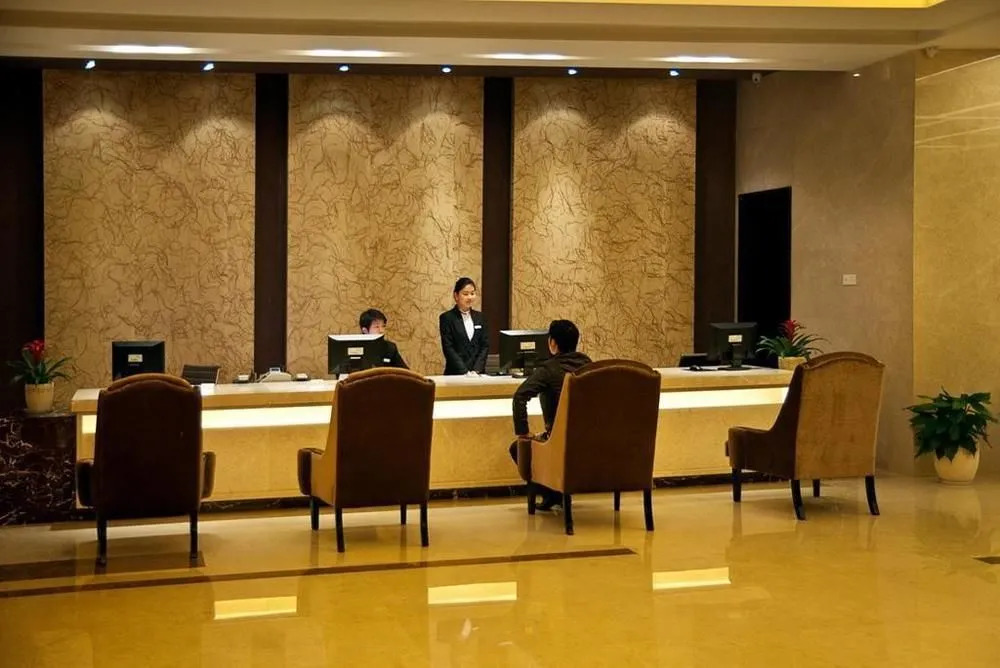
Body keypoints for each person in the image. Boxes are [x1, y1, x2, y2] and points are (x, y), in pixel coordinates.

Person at [509, 319, 592, 510]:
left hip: (558, 440)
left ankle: (551, 495)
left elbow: (520, 396)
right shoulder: (589, 365)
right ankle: (555, 493)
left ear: (552, 343)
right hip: (589, 440)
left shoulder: (548, 369)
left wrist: (523, 432)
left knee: (518, 448)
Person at [439, 277, 489, 375]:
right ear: (456, 296)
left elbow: (485, 346)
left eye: (472, 293)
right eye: (465, 294)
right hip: (455, 374)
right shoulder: (447, 318)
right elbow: (448, 348)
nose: (470, 297)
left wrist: (476, 370)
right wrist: (464, 371)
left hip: (478, 374)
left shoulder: (481, 317)